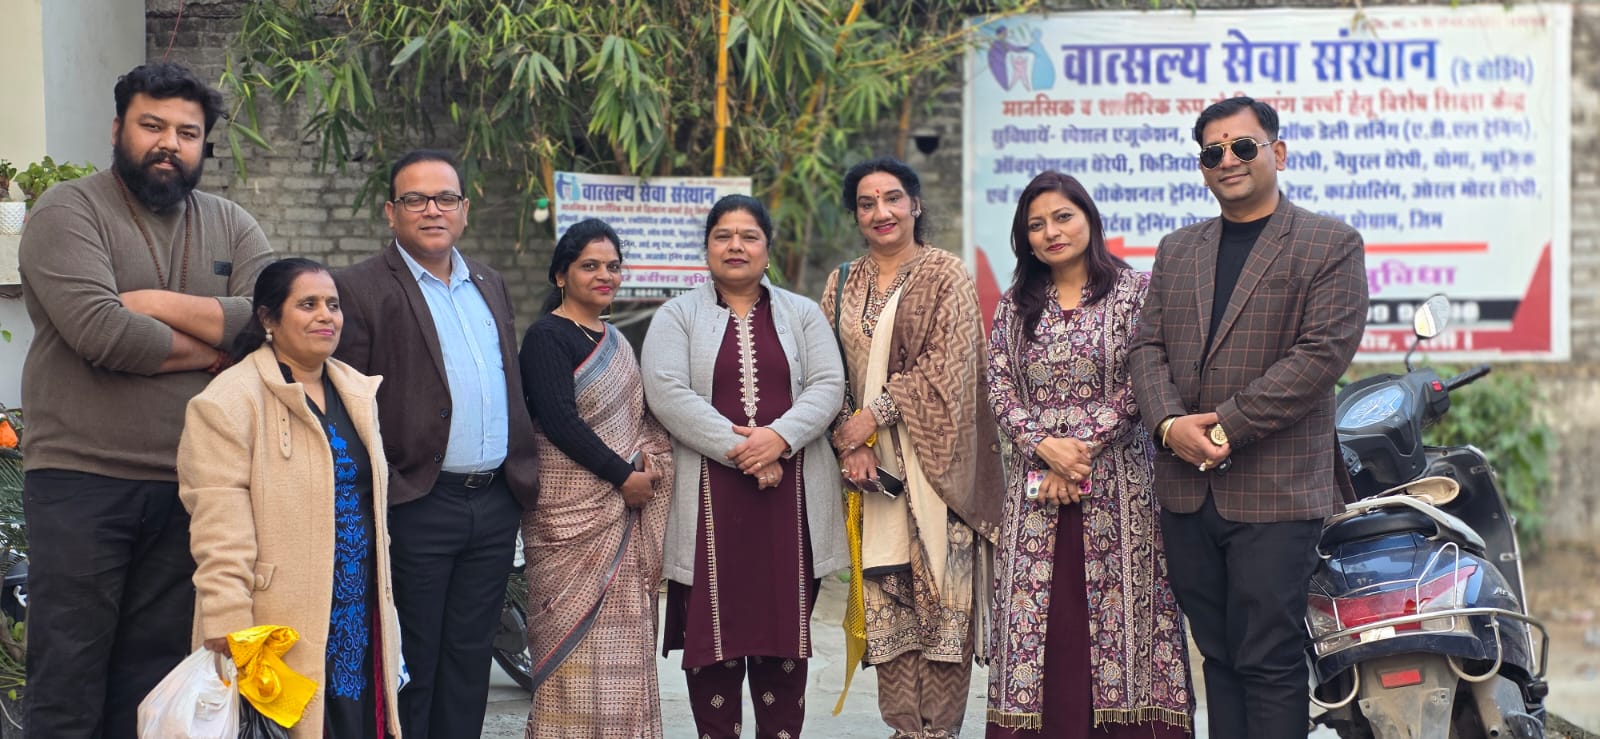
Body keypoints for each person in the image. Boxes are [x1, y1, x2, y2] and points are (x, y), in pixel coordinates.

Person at [16, 61, 274, 736]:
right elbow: (103, 333)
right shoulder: (67, 211)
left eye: (187, 133)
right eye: (151, 125)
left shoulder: (232, 223)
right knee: (68, 677)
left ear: (203, 144)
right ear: (117, 129)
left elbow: (270, 321)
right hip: (82, 480)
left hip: (193, 484)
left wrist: (155, 303)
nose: (169, 144)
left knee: (159, 682)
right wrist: (217, 348)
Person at [1129, 96, 1369, 738]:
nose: (1228, 160)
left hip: (1277, 490)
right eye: (1213, 152)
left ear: (1277, 153)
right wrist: (1167, 425)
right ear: (1202, 167)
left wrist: (1223, 427)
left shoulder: (1328, 243)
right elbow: (1147, 348)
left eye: (1242, 146)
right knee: (1219, 654)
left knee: (1268, 657)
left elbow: (1320, 357)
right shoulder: (1179, 249)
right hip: (1186, 490)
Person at [333, 149, 539, 738]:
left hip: (493, 502)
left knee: (471, 661)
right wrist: (390, 490)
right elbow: (347, 403)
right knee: (414, 660)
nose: (432, 210)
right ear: (390, 212)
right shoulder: (359, 288)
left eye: (445, 198)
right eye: (415, 199)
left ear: (464, 209)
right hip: (417, 501)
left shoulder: (489, 283)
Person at [984, 172, 1192, 738]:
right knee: (1039, 621)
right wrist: (1043, 447)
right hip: (1035, 491)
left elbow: (1143, 380)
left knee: (1125, 616)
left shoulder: (1135, 292)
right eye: (1036, 225)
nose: (1051, 232)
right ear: (1025, 239)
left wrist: (1076, 451)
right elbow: (998, 386)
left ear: (1089, 219)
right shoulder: (1015, 306)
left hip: (1120, 488)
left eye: (1063, 217)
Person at [641, 194, 848, 739]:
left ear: (767, 249)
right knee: (714, 643)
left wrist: (779, 439)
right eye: (723, 235)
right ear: (707, 247)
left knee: (785, 642)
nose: (736, 245)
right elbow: (666, 392)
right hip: (707, 499)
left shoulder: (802, 313)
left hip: (791, 498)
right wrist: (750, 454)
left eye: (749, 236)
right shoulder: (677, 316)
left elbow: (828, 385)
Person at [179, 258, 402, 737]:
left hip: (356, 611)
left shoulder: (354, 391)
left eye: (333, 305)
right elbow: (218, 523)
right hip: (276, 622)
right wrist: (228, 619)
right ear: (268, 318)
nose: (326, 316)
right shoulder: (228, 401)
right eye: (308, 304)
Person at [821, 157, 1002, 739]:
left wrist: (874, 416)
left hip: (940, 469)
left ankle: (939, 730)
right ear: (856, 215)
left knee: (944, 606)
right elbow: (825, 370)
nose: (882, 212)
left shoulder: (947, 274)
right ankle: (904, 728)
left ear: (915, 205)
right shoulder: (841, 283)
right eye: (867, 203)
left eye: (893, 198)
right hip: (872, 474)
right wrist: (850, 439)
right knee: (889, 605)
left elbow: (952, 366)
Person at [518, 218, 673, 737]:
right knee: (569, 651)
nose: (605, 275)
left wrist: (646, 466)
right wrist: (623, 477)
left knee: (624, 647)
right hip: (568, 519)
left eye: (613, 266)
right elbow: (560, 422)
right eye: (590, 266)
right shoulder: (547, 337)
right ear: (561, 275)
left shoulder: (617, 341)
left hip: (622, 518)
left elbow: (639, 419)